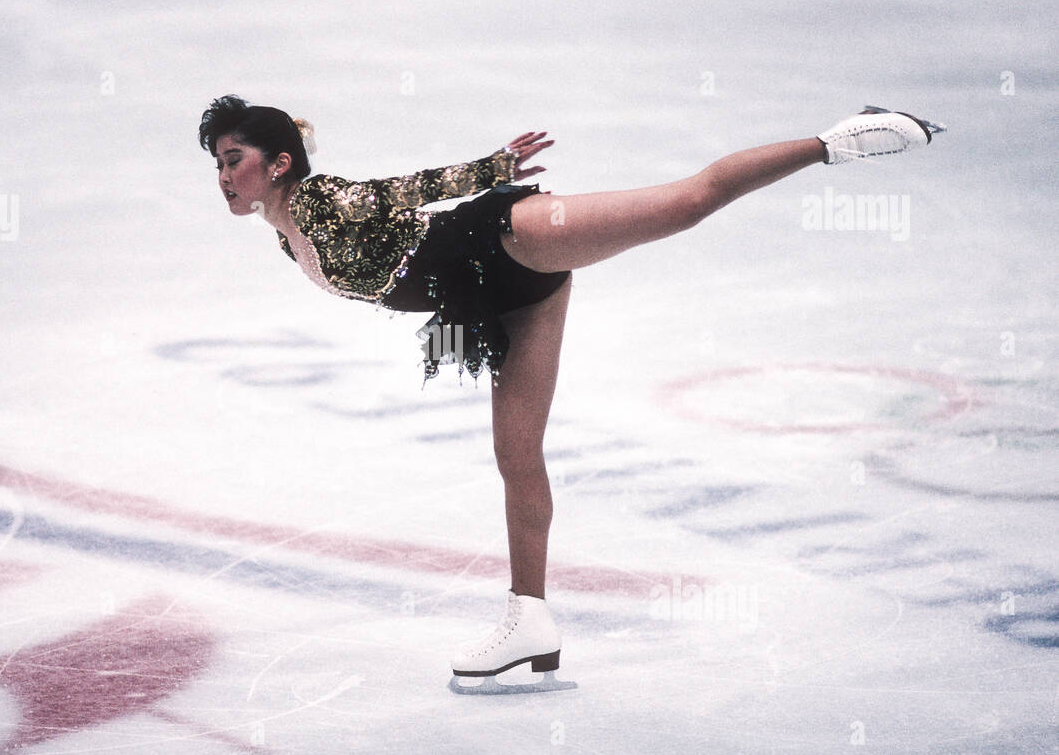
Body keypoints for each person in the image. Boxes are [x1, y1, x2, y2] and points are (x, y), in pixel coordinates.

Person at [199, 94, 942, 687]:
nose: (224, 174)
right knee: (516, 453)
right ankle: (530, 620)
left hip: (511, 239)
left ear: (281, 162)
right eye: (217, 164)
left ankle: (840, 139)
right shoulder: (282, 232)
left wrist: (489, 166)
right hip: (506, 297)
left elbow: (399, 193)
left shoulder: (321, 203)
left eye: (234, 159)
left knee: (683, 204)